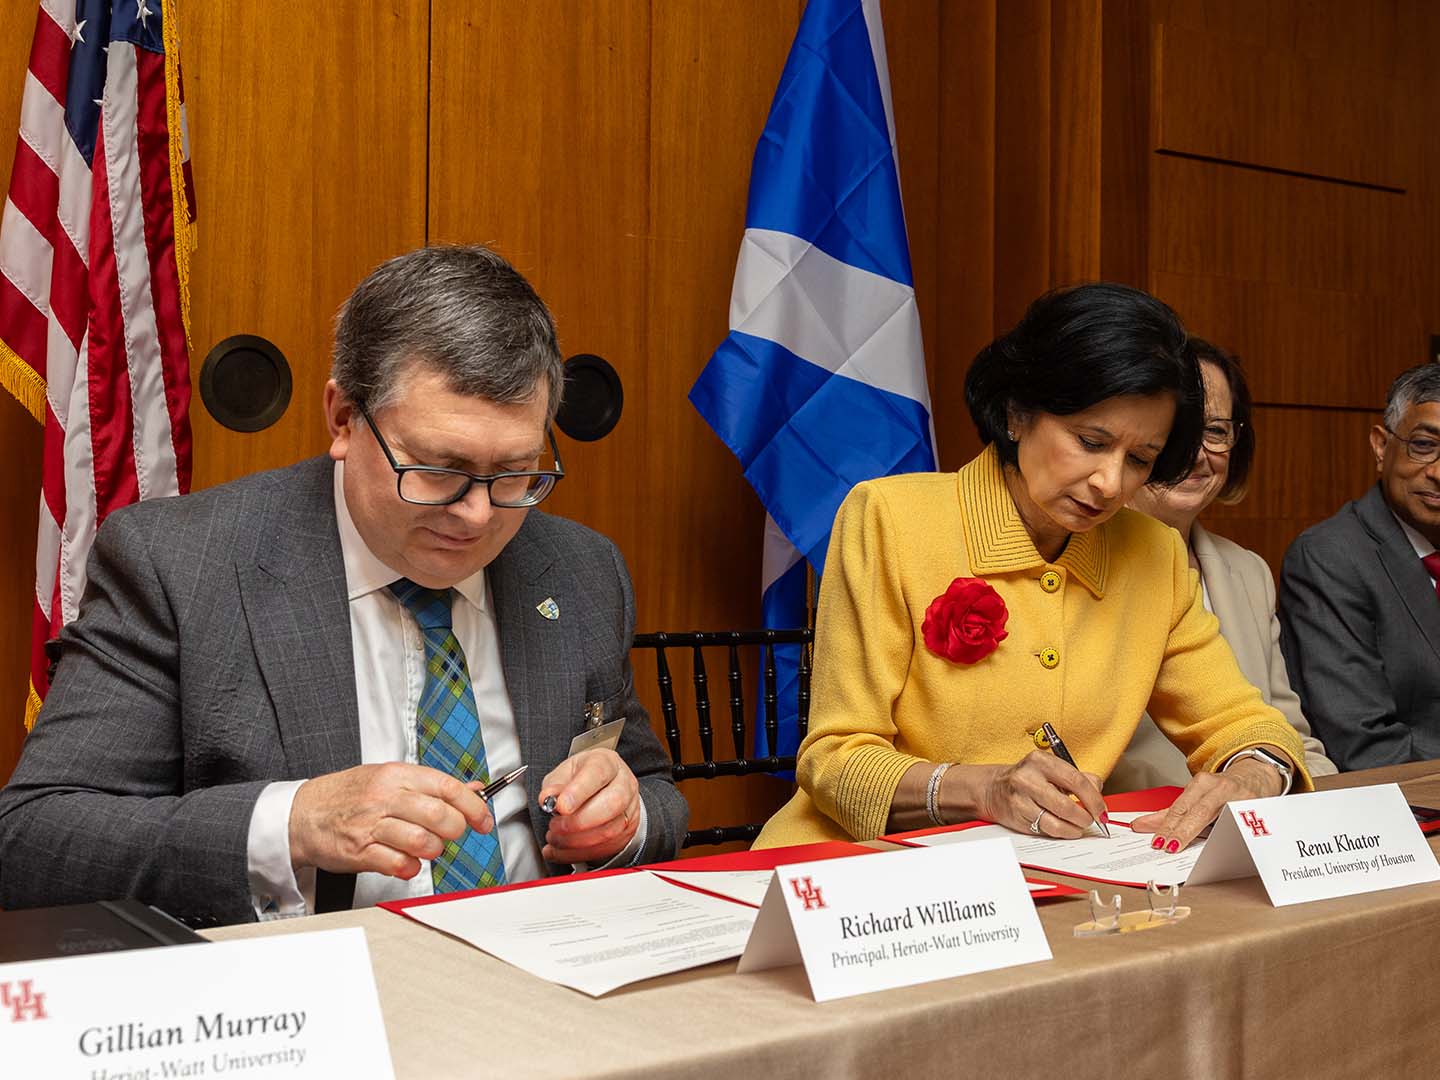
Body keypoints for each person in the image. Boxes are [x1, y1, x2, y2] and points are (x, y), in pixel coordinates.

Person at [0, 245, 687, 927]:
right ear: (343, 419)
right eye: (438, 470)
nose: (478, 515)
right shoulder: (182, 565)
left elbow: (654, 790)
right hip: (307, 999)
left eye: (513, 472)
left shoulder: (580, 570)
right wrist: (292, 823)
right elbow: (34, 839)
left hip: (552, 977)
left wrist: (623, 819)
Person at [754, 283, 1311, 855]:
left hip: (1050, 875)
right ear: (1018, 413)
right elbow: (835, 759)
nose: (1110, 483)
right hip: (859, 872)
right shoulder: (890, 518)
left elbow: (1244, 722)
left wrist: (1255, 775)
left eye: (1140, 459)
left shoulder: (1154, 552)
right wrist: (979, 788)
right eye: (1090, 441)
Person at [1109, 339, 1336, 791]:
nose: (1195, 454)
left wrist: (1334, 816)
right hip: (1123, 835)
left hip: (1252, 823)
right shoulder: (1071, 563)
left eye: (1215, 431)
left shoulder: (1248, 571)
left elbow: (1293, 738)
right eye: (1176, 431)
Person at [1279, 362, 1440, 770]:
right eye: (1424, 445)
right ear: (1381, 446)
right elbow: (1364, 746)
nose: (1438, 472)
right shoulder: (1330, 557)